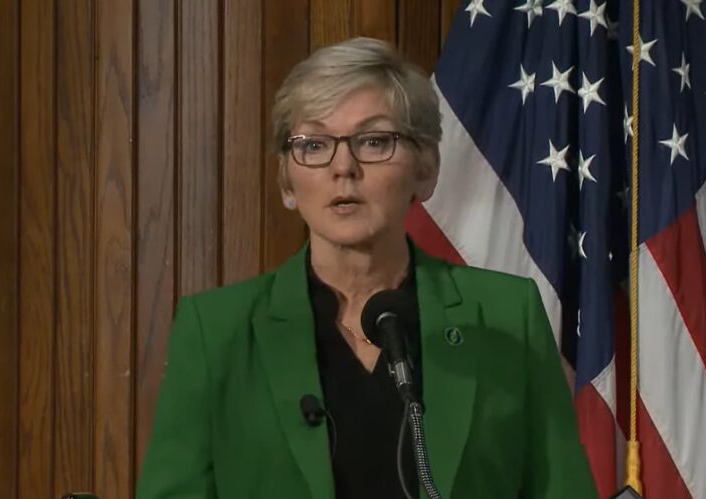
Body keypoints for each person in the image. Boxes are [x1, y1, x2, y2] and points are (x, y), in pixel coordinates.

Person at [136, 37, 597, 499]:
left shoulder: (506, 317)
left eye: (374, 140)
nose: (344, 166)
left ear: (426, 168)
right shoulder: (215, 331)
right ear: (287, 181)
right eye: (314, 144)